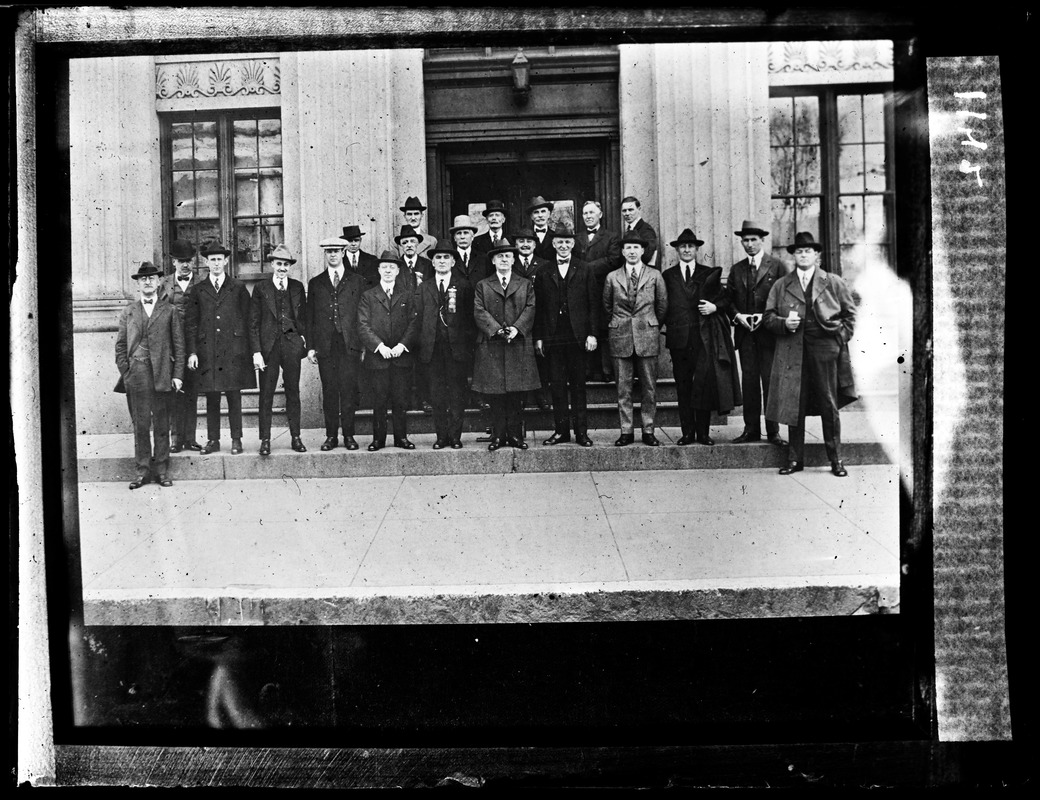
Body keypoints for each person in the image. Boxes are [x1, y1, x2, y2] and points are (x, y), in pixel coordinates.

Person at [763, 231, 858, 477]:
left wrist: (839, 340)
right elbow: (768, 318)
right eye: (799, 251)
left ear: (816, 255)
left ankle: (836, 460)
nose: (803, 255)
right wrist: (785, 324)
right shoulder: (782, 284)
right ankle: (795, 460)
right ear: (793, 255)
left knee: (829, 403)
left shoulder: (833, 281)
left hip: (825, 350)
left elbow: (850, 315)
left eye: (808, 251)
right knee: (795, 404)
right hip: (793, 352)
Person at [662, 229, 742, 446]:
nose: (686, 250)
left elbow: (726, 300)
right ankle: (687, 432)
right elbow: (662, 305)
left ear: (697, 250)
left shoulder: (709, 274)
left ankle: (703, 433)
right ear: (677, 250)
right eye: (682, 247)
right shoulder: (668, 276)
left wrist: (714, 306)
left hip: (704, 339)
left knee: (704, 386)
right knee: (683, 386)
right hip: (679, 340)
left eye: (690, 246)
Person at [115, 261, 185, 489]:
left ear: (158, 282)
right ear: (138, 283)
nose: (148, 282)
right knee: (141, 425)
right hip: (137, 376)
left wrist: (177, 375)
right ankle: (142, 471)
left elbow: (179, 346)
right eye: (143, 279)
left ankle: (162, 471)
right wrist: (126, 371)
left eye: (152, 278)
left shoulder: (170, 310)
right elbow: (121, 346)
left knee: (162, 424)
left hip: (163, 373)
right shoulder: (129, 312)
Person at [186, 242, 254, 455]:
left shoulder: (238, 287)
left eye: (219, 259)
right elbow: (191, 323)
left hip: (233, 351)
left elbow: (248, 319)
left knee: (234, 395)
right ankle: (213, 439)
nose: (216, 263)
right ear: (206, 262)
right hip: (207, 352)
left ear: (226, 261)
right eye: (212, 259)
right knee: (212, 397)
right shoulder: (198, 290)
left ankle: (236, 439)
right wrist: (193, 352)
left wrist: (248, 350)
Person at [534, 225, 599, 447]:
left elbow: (593, 304)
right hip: (554, 338)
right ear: (553, 244)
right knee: (557, 386)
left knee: (578, 386)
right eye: (559, 242)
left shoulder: (585, 269)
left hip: (577, 337)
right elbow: (540, 308)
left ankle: (581, 432)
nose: (563, 246)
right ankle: (561, 431)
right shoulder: (544, 271)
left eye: (567, 242)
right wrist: (540, 337)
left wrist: (592, 333)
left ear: (573, 244)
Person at [471, 243, 541, 451]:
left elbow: (531, 308)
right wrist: (496, 329)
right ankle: (499, 436)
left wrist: (516, 329)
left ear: (513, 260)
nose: (503, 259)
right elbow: (478, 310)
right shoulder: (482, 285)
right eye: (499, 256)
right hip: (492, 345)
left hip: (517, 344)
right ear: (493, 261)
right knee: (496, 394)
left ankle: (515, 435)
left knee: (516, 394)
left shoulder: (525, 284)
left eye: (508, 256)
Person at [602, 230, 668, 446]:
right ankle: (626, 431)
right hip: (620, 336)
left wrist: (649, 324)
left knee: (649, 387)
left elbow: (662, 305)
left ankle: (648, 430)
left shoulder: (655, 275)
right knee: (623, 388)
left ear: (642, 251)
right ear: (622, 251)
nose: (631, 251)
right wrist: (620, 324)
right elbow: (607, 307)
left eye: (635, 247)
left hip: (647, 336)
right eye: (627, 247)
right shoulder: (612, 277)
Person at [726, 220, 788, 446]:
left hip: (769, 334)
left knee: (770, 382)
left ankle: (773, 431)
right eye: (745, 240)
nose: (749, 244)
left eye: (753, 240)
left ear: (762, 241)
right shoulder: (737, 269)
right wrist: (738, 317)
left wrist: (766, 316)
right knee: (750, 383)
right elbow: (729, 300)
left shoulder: (778, 266)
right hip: (745, 335)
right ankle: (751, 429)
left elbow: (786, 297)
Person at [306, 235, 365, 452]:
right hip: (325, 346)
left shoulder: (357, 281)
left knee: (348, 390)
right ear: (325, 254)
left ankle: (349, 435)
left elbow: (362, 315)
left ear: (343, 253)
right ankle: (331, 436)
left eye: (336, 251)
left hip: (350, 344)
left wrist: (363, 346)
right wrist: (311, 346)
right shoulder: (316, 283)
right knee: (330, 390)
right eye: (329, 251)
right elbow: (310, 317)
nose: (332, 254)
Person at [413, 239, 474, 449]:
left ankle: (455, 436)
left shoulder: (464, 285)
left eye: (446, 257)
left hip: (456, 350)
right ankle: (441, 436)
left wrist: (465, 346)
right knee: (437, 394)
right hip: (432, 350)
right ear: (432, 262)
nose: (441, 261)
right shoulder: (425, 288)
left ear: (453, 261)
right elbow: (418, 319)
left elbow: (469, 319)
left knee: (457, 393)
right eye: (437, 257)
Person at [249, 244, 308, 455]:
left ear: (289, 267)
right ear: (272, 264)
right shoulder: (261, 288)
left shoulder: (297, 287)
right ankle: (265, 439)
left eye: (286, 264)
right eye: (279, 264)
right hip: (268, 348)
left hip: (291, 346)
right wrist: (256, 351)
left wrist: (303, 340)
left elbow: (304, 318)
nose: (282, 268)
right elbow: (253, 322)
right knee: (266, 394)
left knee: (293, 392)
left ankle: (296, 437)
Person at [357, 251, 419, 451]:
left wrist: (402, 345)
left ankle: (401, 438)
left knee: (401, 399)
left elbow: (414, 323)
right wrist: (379, 347)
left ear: (398, 270)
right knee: (379, 399)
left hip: (402, 357)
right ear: (378, 270)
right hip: (378, 358)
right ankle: (378, 439)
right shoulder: (368, 296)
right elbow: (362, 324)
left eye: (392, 267)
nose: (388, 270)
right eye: (384, 267)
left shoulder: (407, 296)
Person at [157, 238, 205, 453]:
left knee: (192, 391)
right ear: (173, 262)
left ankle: (191, 438)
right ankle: (176, 438)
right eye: (181, 261)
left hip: (196, 347)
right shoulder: (164, 285)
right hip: (171, 347)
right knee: (174, 392)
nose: (185, 265)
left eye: (188, 261)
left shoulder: (201, 282)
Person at [577, 199, 623, 381]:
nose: (588, 216)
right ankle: (588, 370)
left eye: (591, 213)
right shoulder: (577, 237)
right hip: (581, 290)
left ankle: (606, 371)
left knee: (603, 328)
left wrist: (586, 268)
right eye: (585, 213)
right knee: (586, 326)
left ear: (600, 215)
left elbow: (613, 260)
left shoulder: (611, 237)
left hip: (604, 289)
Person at [513, 227, 552, 410]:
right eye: (521, 241)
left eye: (529, 241)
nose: (525, 245)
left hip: (538, 317)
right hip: (516, 318)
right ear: (515, 244)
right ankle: (519, 398)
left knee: (541, 357)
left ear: (535, 244)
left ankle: (541, 395)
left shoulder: (544, 265)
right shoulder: (510, 263)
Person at [473, 199, 511, 273]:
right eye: (491, 215)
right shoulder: (477, 241)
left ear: (503, 219)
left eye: (497, 215)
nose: (494, 218)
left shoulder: (511, 240)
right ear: (487, 220)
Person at [620, 196, 659, 267]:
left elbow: (647, 256)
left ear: (639, 209)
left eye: (630, 210)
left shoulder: (646, 230)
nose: (627, 213)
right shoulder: (629, 229)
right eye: (624, 211)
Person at [394, 224, 433, 291]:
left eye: (412, 241)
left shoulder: (428, 265)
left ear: (418, 243)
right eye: (404, 243)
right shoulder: (396, 266)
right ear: (400, 245)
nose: (409, 245)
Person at [341, 224, 381, 288]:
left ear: (360, 240)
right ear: (344, 242)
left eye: (356, 240)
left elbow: (376, 283)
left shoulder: (372, 260)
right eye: (350, 241)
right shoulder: (339, 260)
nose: (353, 244)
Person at [527, 195, 556, 261]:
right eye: (536, 212)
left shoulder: (555, 236)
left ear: (549, 214)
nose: (540, 215)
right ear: (531, 216)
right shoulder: (526, 236)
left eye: (543, 211)